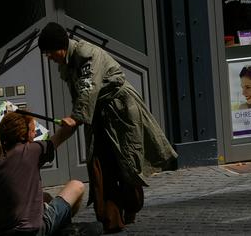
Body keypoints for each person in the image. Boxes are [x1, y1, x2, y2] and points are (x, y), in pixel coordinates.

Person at [38, 22, 178, 233]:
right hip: (96, 116)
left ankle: (131, 205)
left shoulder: (87, 55)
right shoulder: (66, 64)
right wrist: (72, 123)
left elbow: (88, 91)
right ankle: (110, 220)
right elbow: (79, 98)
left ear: (60, 46)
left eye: (49, 52)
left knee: (126, 163)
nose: (48, 57)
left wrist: (75, 118)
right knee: (99, 166)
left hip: (119, 111)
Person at [0, 111, 101, 236]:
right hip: (34, 231)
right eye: (33, 130)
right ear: (23, 135)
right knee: (76, 185)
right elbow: (62, 135)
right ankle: (64, 228)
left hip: (2, 232)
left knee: (46, 197)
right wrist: (74, 121)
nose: (35, 134)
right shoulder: (33, 150)